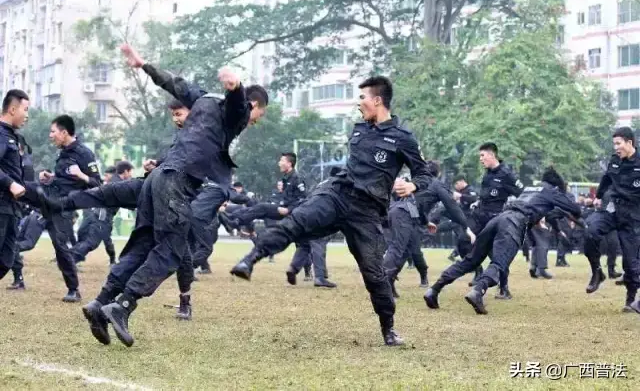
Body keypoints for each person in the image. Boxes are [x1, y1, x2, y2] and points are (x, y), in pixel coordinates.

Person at [80, 44, 268, 347]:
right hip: (178, 182)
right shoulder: (239, 112)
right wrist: (236, 88)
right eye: (258, 114)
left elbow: (174, 83)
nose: (254, 121)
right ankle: (123, 305)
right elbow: (238, 108)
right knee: (170, 252)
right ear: (255, 106)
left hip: (158, 179)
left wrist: (144, 64)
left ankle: (100, 303)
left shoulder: (203, 99)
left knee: (143, 248)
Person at [229, 76, 432, 346]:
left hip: (366, 211)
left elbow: (424, 173)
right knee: (296, 221)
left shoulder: (402, 138)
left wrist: (413, 185)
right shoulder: (359, 129)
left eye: (362, 98)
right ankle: (250, 260)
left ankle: (389, 329)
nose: (358, 103)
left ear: (378, 100)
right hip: (336, 194)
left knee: (374, 274)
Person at [424, 167, 582, 314]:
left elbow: (538, 208)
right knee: (500, 263)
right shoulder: (552, 191)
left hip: (500, 218)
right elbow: (576, 209)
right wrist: (562, 202)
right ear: (556, 185)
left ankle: (434, 289)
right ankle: (478, 291)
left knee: (471, 260)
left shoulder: (530, 189)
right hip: (515, 223)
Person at [37, 115, 103, 302]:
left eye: (53, 131)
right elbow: (63, 179)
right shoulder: (63, 153)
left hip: (66, 206)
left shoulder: (84, 154)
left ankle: (73, 289)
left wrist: (81, 175)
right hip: (50, 199)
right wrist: (50, 178)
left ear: (64, 132)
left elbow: (97, 183)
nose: (51, 136)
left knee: (60, 246)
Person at [383, 161, 473, 299]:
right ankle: (381, 284)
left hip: (398, 213)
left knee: (406, 251)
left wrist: (426, 222)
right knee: (397, 249)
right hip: (403, 215)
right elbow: (452, 206)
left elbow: (416, 204)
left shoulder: (416, 182)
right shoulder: (436, 184)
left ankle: (389, 281)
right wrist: (465, 226)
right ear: (439, 173)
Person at [581, 127, 640, 314]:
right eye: (614, 143)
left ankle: (630, 300)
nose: (615, 147)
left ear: (630, 143)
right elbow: (606, 179)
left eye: (619, 143)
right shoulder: (614, 161)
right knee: (590, 230)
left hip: (633, 216)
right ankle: (597, 272)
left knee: (631, 263)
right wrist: (597, 196)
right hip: (612, 208)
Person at [463, 143, 523, 299]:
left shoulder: (507, 174)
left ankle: (504, 288)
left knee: (497, 255)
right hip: (480, 216)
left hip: (495, 218)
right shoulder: (487, 173)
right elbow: (486, 194)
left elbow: (521, 194)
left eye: (482, 155)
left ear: (492, 155)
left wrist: (512, 210)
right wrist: (477, 201)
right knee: (463, 240)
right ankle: (478, 272)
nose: (481, 159)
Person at [0, 90, 29, 282]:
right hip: (1, 206)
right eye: (25, 110)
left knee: (6, 260)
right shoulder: (1, 134)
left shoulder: (12, 136)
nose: (27, 115)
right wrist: (10, 184)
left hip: (12, 208)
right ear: (12, 109)